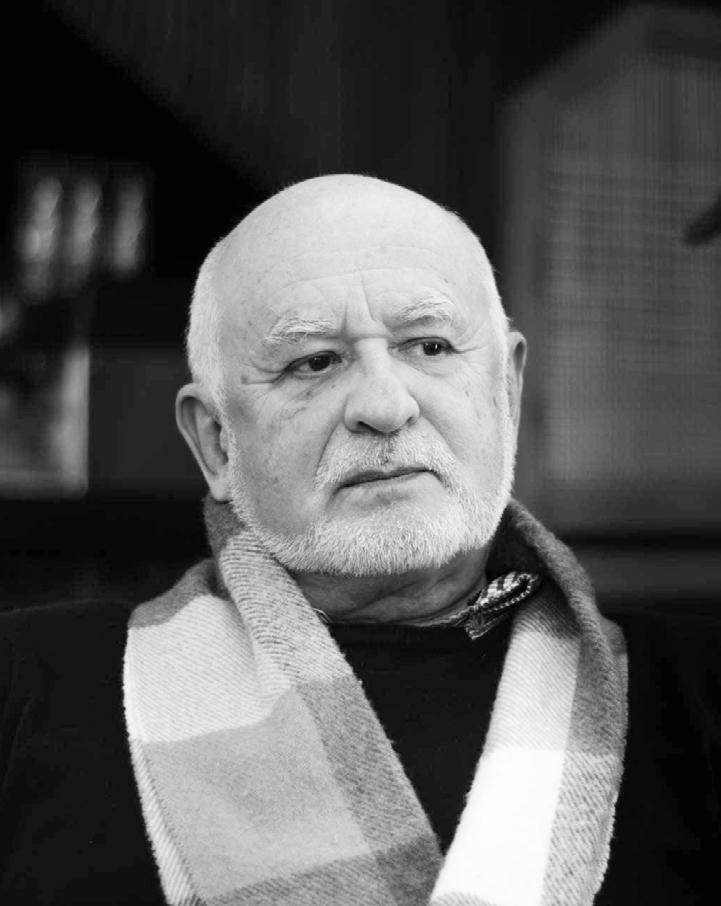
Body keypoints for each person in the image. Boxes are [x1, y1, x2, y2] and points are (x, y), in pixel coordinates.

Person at [1, 175, 719, 906]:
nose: (384, 405)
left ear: (507, 390)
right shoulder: (32, 687)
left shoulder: (692, 694)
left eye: (430, 345)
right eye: (313, 361)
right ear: (216, 442)